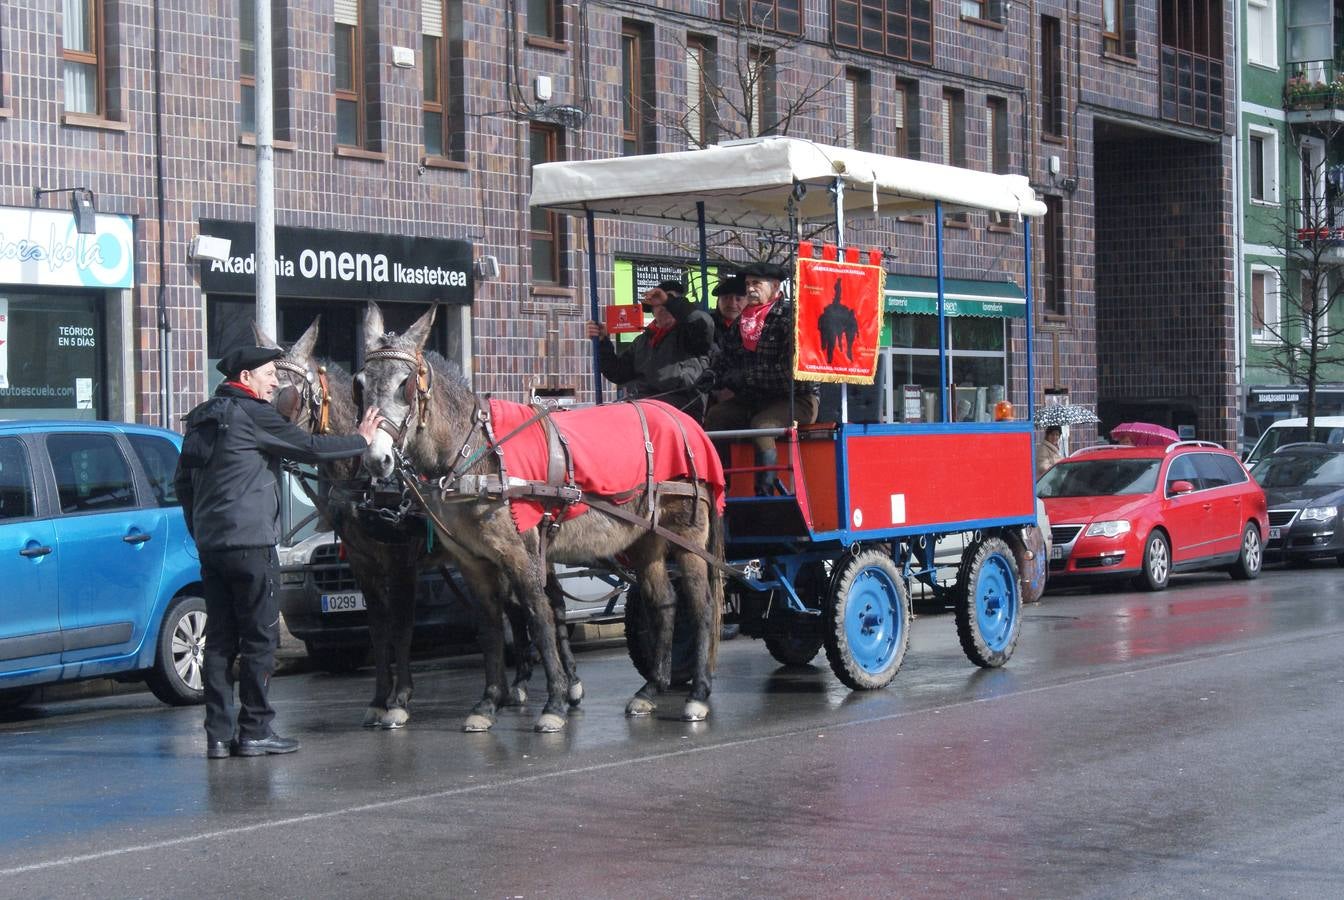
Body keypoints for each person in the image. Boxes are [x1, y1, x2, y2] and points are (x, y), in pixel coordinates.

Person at [174, 344, 383, 760]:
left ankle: (217, 736)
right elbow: (309, 447)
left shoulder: (202, 419)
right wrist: (361, 439)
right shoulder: (252, 415)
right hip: (251, 546)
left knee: (218, 642)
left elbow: (182, 485)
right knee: (259, 639)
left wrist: (200, 532)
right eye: (269, 373)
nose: (275, 382)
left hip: (213, 548)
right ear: (246, 377)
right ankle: (255, 731)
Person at [702, 261, 820, 495]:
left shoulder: (791, 319)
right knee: (715, 417)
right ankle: (720, 489)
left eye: (756, 283)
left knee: (762, 426)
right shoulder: (742, 323)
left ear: (775, 287)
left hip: (798, 399)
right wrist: (712, 377)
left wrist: (746, 377)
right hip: (754, 399)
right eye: (747, 284)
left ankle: (764, 495)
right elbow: (725, 361)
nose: (750, 289)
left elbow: (793, 374)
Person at [585, 279, 715, 421]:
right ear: (652, 310)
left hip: (682, 405)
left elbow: (703, 323)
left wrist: (668, 301)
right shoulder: (642, 342)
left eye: (670, 302)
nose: (665, 307)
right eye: (660, 304)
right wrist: (603, 342)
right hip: (645, 404)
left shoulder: (691, 335)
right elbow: (618, 372)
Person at [710, 274, 747, 348]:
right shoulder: (706, 325)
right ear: (718, 301)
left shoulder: (755, 328)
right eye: (726, 298)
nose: (732, 304)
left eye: (738, 299)